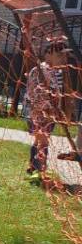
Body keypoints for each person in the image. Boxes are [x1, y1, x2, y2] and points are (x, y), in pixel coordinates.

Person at [23, 40, 70, 177]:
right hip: (39, 112)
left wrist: (58, 110)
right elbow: (34, 92)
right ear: (48, 54)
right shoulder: (40, 70)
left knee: (40, 140)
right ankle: (41, 170)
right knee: (43, 141)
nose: (63, 58)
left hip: (50, 112)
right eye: (60, 55)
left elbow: (57, 93)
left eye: (64, 56)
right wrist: (43, 110)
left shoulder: (57, 71)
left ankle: (32, 165)